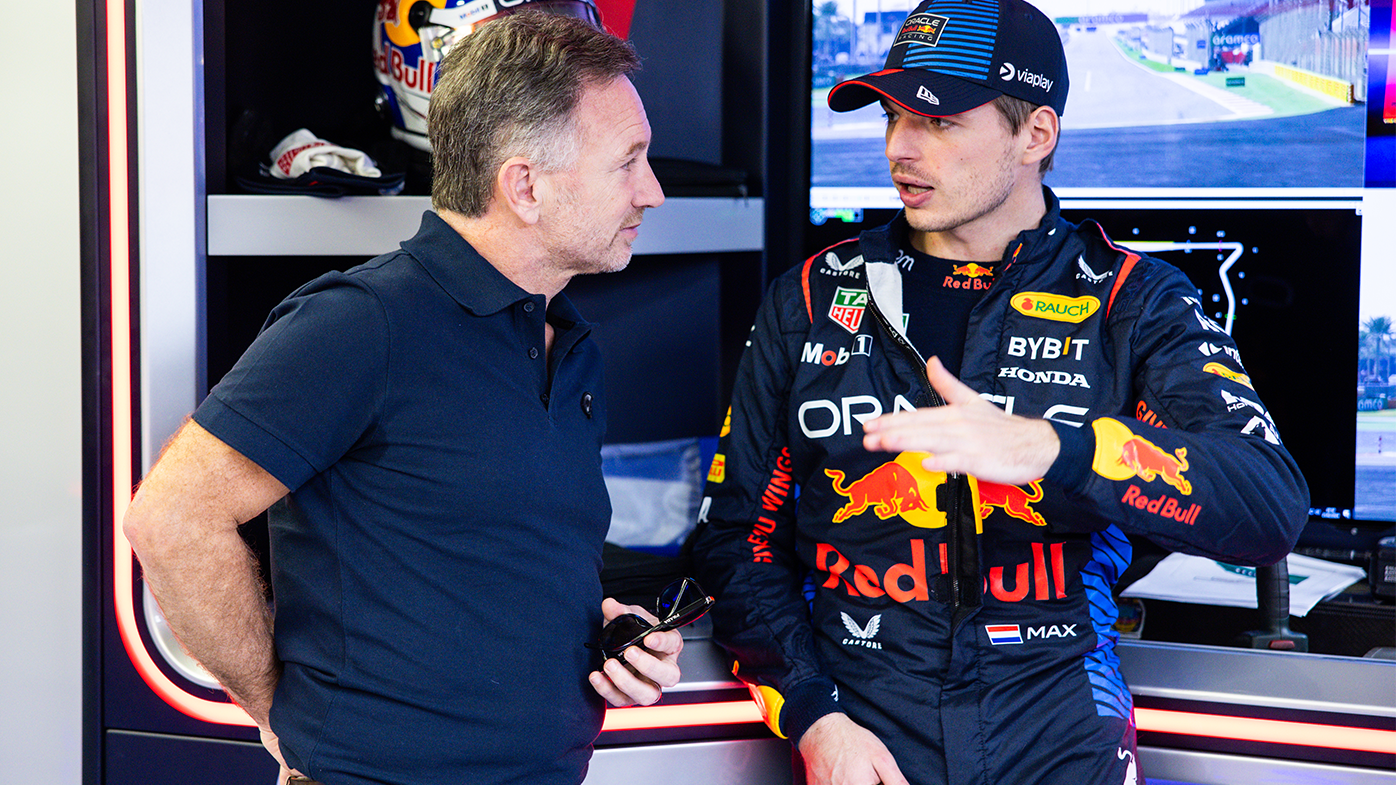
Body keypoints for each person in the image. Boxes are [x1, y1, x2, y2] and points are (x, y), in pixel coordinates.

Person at [690, 1, 1308, 784]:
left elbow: (1269, 504)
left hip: (1062, 741)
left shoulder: (1132, 300)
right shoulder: (811, 297)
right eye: (891, 115)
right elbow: (736, 542)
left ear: (1036, 136)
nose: (898, 148)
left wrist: (1054, 449)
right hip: (865, 748)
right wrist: (816, 716)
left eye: (939, 121)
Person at [123, 12, 678, 785]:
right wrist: (278, 713)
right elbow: (172, 517)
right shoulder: (363, 322)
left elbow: (497, 552)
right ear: (523, 185)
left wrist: (601, 626)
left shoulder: (571, 344)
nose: (652, 191)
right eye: (629, 162)